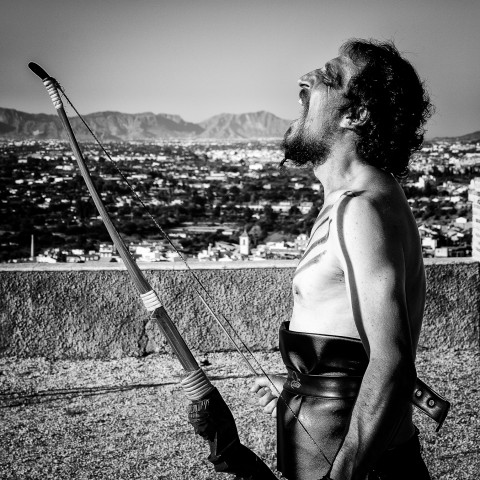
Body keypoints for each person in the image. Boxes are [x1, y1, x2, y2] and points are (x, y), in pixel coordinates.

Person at [250, 39, 434, 480]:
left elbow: (391, 362)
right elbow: (350, 350)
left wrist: (344, 474)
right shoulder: (363, 198)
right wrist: (304, 388)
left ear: (356, 114)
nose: (305, 79)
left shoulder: (360, 209)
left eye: (327, 78)